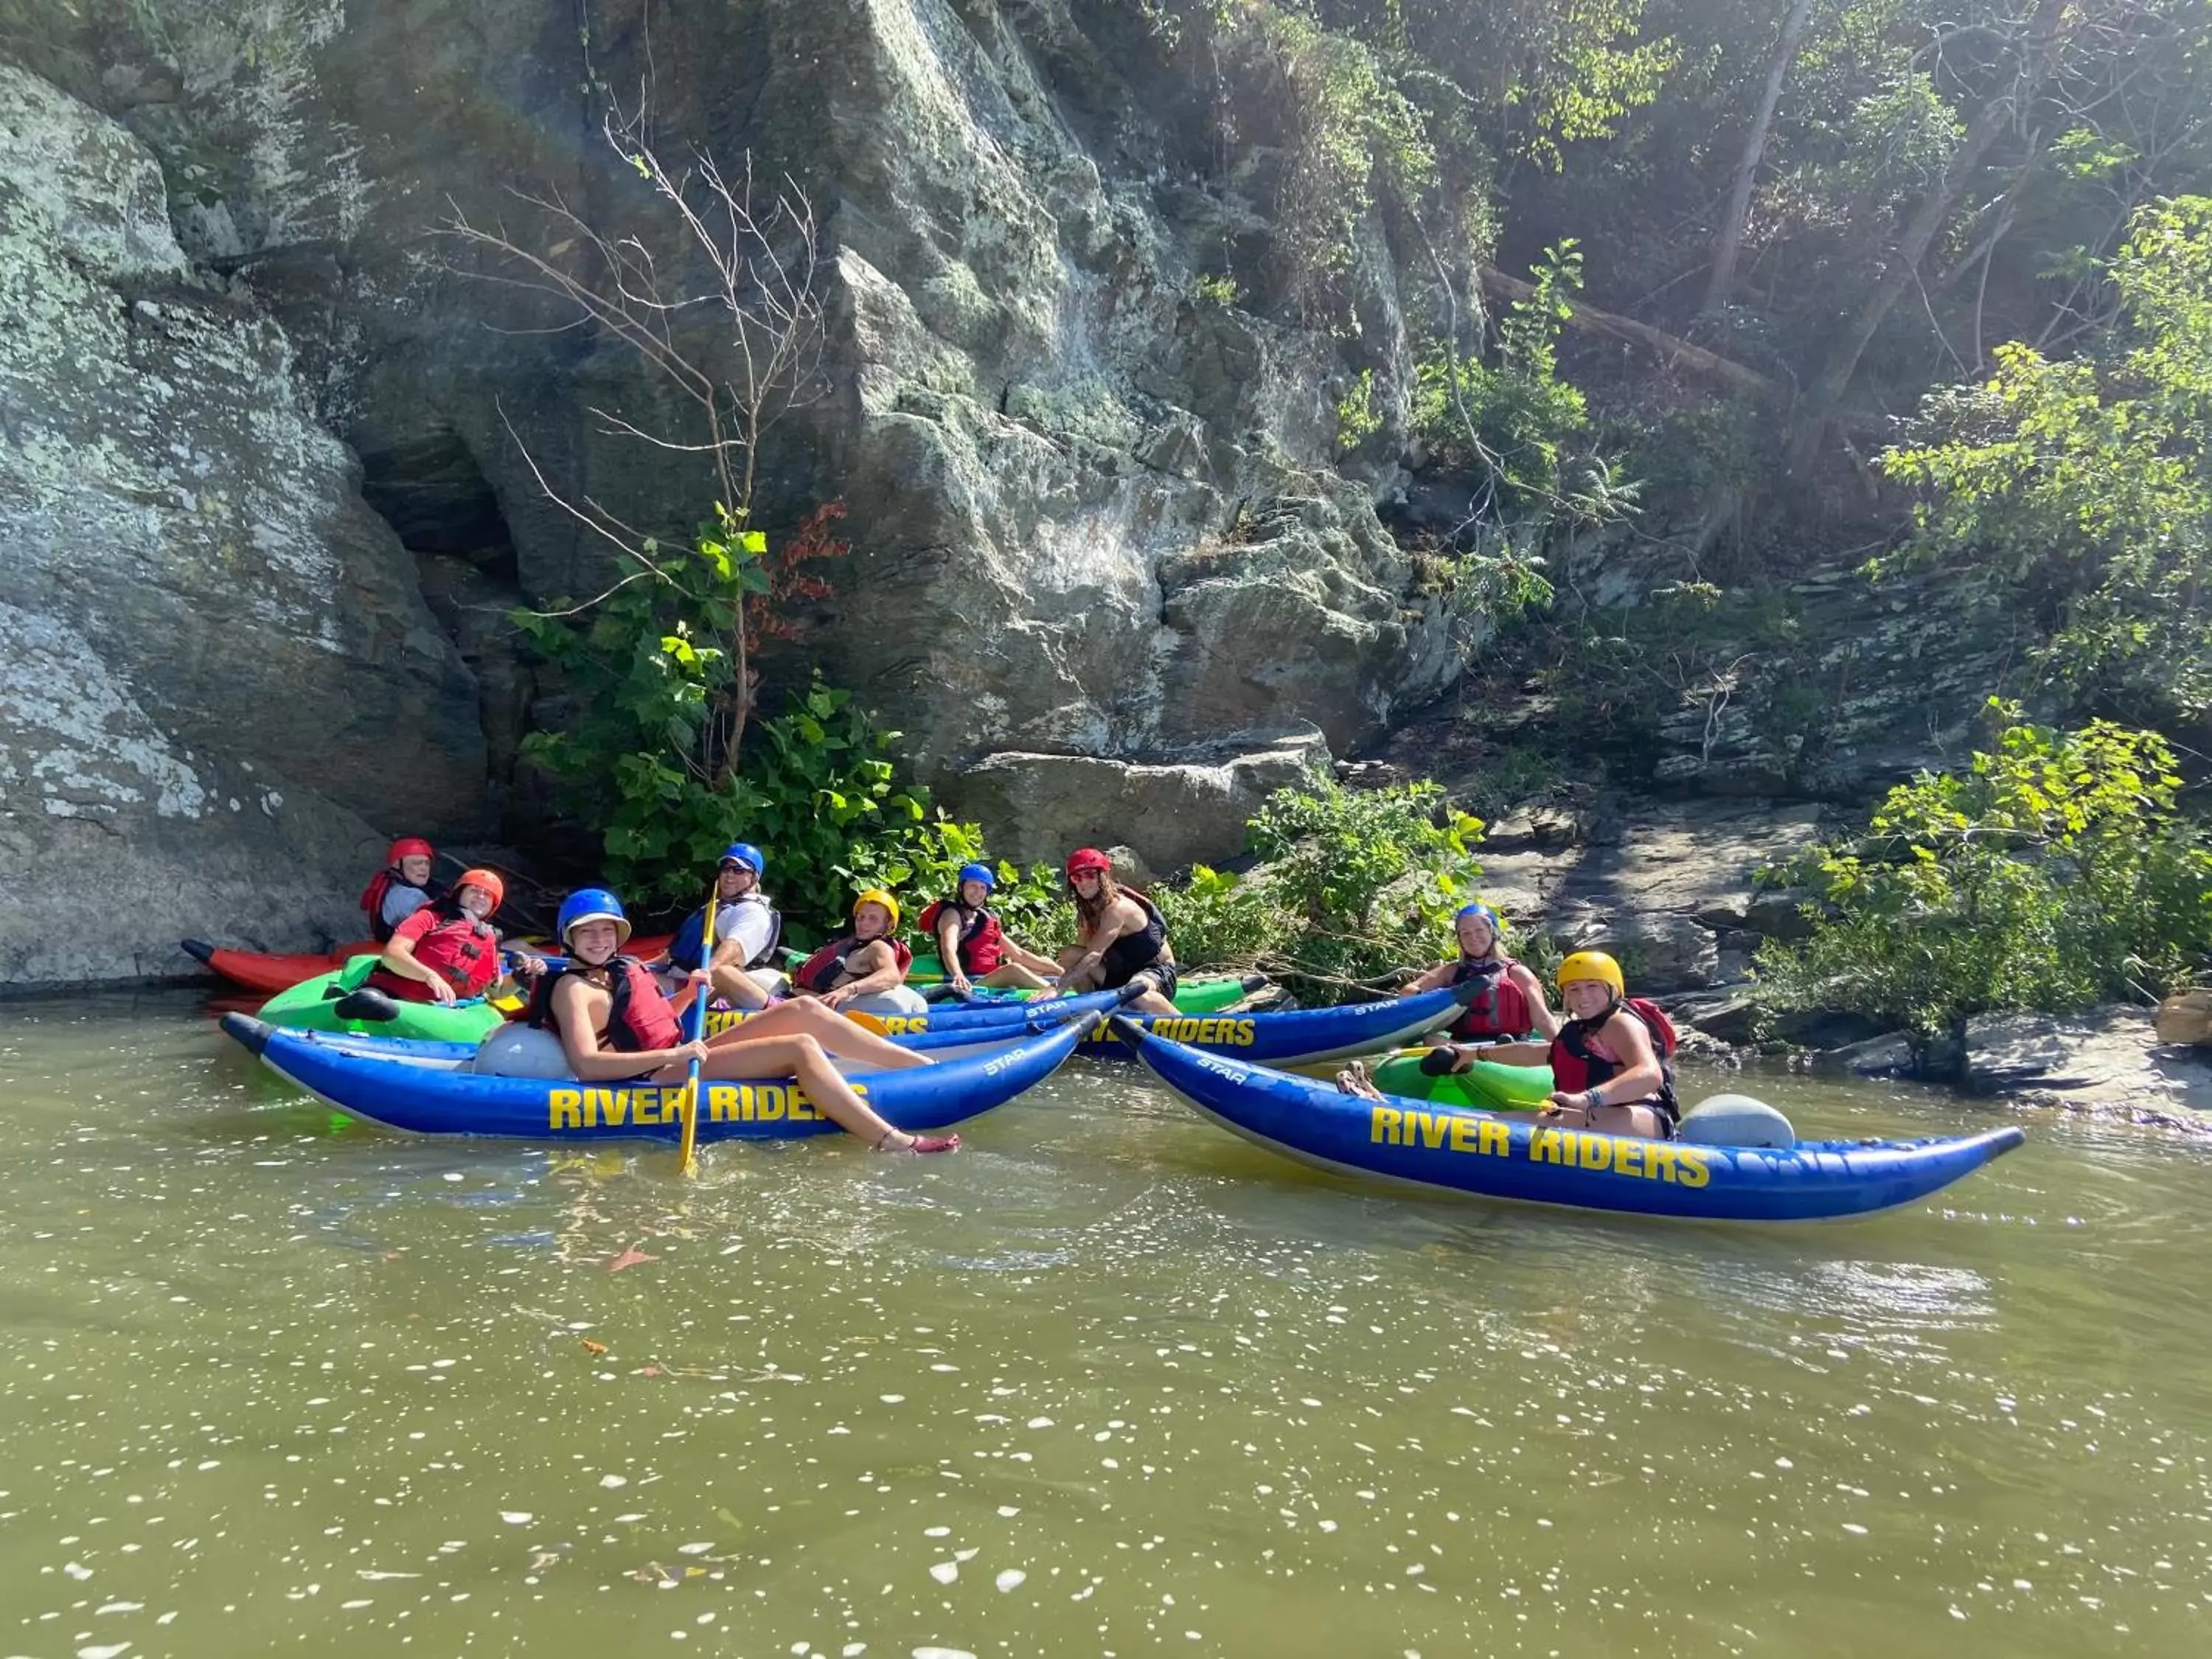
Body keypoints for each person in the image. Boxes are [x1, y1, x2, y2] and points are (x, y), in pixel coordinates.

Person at [524, 888, 957, 1152]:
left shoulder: (618, 972)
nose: (599, 940)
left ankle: (924, 1072)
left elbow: (644, 1023)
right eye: (587, 932)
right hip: (652, 1074)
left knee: (805, 1010)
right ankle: (891, 1141)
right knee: (800, 1046)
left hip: (675, 1053)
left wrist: (689, 995)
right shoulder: (573, 988)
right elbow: (587, 1064)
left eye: (606, 931)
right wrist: (678, 1051)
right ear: (570, 938)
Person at [1407, 950, 1679, 1139]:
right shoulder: (1581, 1029)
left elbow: (1649, 1074)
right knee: (1506, 1120)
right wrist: (1475, 1053)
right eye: (1573, 989)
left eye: (1592, 986)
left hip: (1641, 1117)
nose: (1583, 997)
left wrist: (1585, 1099)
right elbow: (1541, 1053)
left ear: (1613, 989)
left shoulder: (1621, 1024)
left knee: (1504, 1125)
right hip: (1598, 1115)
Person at [365, 868, 547, 1005]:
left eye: (487, 895)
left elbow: (496, 990)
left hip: (449, 1010)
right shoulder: (430, 917)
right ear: (460, 894)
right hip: (402, 998)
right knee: (371, 1001)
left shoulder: (489, 939)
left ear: (493, 905)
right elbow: (393, 954)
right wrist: (430, 976)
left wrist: (520, 977)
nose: (480, 897)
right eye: (474, 890)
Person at [1397, 902, 1558, 1043]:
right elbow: (1407, 992)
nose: (1473, 937)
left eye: (1479, 930)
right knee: (1432, 1040)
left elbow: (1542, 1019)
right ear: (1460, 939)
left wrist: (1565, 1052)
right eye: (1465, 933)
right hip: (1463, 1045)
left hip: (1511, 1044)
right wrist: (1434, 999)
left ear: (1493, 933)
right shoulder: (1452, 971)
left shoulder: (1517, 973)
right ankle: (1462, 1061)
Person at [658, 842, 785, 1011]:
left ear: (755, 877)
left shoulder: (753, 911)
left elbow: (733, 948)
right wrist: (639, 966)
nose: (729, 875)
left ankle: (776, 1010)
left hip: (709, 987)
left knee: (629, 984)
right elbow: (670, 957)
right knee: (628, 974)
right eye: (726, 868)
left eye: (739, 870)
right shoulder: (715, 907)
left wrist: (707, 971)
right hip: (679, 977)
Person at [1054, 847, 1178, 1015]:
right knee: (1070, 955)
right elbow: (1083, 953)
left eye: (1090, 875)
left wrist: (1056, 987)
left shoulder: (1118, 908)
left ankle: (1183, 1025)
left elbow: (1094, 956)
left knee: (1136, 992)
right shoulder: (1088, 910)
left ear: (1101, 877)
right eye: (1077, 877)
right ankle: (1096, 1012)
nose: (1084, 882)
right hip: (1120, 973)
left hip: (1156, 973)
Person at [918, 863, 1059, 995]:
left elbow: (1018, 954)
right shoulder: (952, 915)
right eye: (973, 886)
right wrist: (957, 975)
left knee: (1045, 965)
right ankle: (1058, 992)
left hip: (990, 977)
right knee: (1013, 970)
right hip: (971, 982)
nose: (977, 892)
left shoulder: (986, 917)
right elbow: (948, 949)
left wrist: (1057, 970)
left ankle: (1065, 984)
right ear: (961, 887)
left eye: (982, 888)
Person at [793, 889, 921, 1012]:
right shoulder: (855, 946)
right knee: (781, 952)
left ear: (888, 925)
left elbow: (892, 975)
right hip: (802, 995)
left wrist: (849, 989)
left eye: (873, 919)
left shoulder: (879, 947)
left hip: (807, 1003)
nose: (864, 923)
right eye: (861, 917)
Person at [359, 836, 440, 942]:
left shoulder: (390, 884)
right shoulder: (408, 896)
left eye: (427, 863)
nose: (424, 868)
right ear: (397, 864)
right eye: (417, 863)